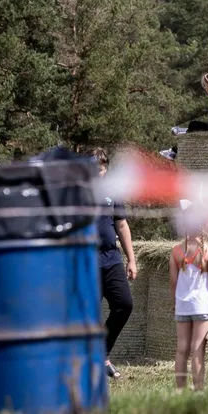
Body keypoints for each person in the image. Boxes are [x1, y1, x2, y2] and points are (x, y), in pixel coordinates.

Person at [90, 148, 138, 380]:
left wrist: (131, 258)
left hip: (111, 259)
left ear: (105, 168)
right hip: (85, 261)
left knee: (124, 304)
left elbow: (121, 225)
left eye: (100, 169)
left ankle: (103, 353)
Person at [170, 222, 208, 392]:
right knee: (197, 349)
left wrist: (175, 303)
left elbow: (173, 282)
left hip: (182, 306)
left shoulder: (176, 251)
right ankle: (198, 390)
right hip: (203, 306)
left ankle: (180, 390)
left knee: (181, 349)